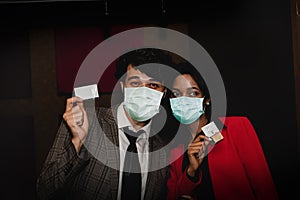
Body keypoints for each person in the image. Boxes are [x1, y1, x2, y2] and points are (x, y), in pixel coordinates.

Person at [36, 48, 177, 200]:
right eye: (135, 83)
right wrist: (77, 142)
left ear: (164, 93)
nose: (143, 92)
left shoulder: (162, 152)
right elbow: (44, 190)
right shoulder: (86, 121)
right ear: (123, 87)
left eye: (153, 85)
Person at [166, 62, 279, 200]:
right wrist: (190, 172)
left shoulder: (235, 127)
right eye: (176, 94)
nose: (183, 100)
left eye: (193, 93)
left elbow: (264, 187)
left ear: (207, 98)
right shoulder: (175, 151)